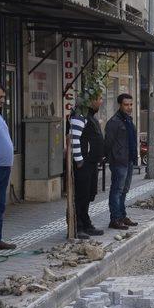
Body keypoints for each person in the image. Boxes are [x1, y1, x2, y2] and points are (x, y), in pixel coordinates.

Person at [70, 95, 106, 238]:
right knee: (81, 196)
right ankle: (78, 227)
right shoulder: (79, 116)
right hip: (83, 164)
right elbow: (75, 139)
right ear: (90, 101)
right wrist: (79, 160)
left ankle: (86, 224)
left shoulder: (90, 116)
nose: (101, 101)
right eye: (99, 98)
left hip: (90, 163)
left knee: (88, 195)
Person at [104, 93, 139, 230]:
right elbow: (108, 143)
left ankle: (122, 216)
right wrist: (111, 157)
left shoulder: (128, 120)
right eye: (126, 105)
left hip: (128, 160)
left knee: (124, 190)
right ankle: (115, 219)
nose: (129, 107)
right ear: (120, 105)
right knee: (117, 190)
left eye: (131, 104)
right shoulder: (114, 122)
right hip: (119, 161)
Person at [0, 84, 16, 250]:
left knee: (0, 204)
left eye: (3, 97)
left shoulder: (0, 116)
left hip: (3, 167)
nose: (2, 101)